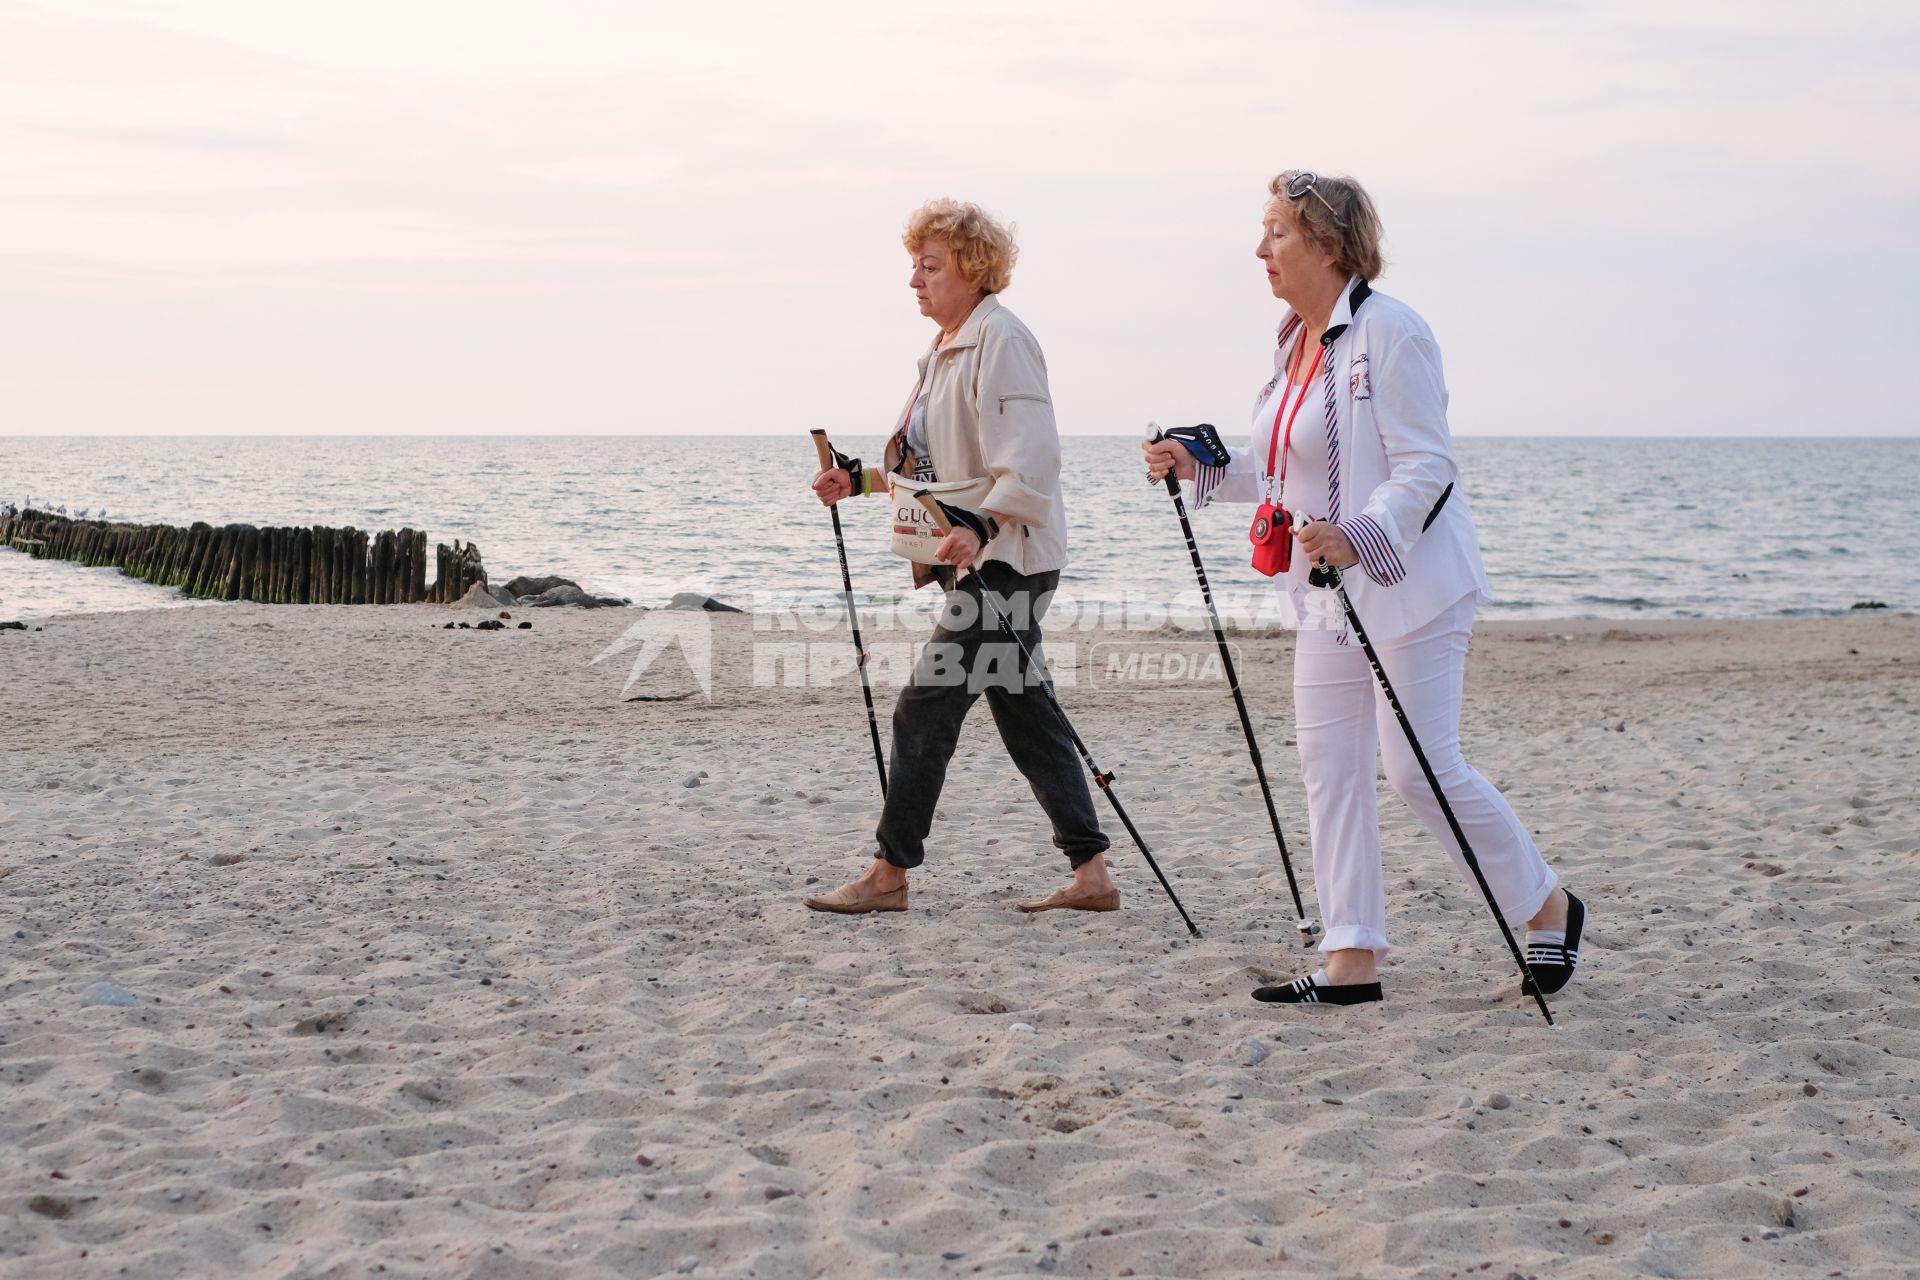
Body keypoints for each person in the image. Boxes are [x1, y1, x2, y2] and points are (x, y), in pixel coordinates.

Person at [1142, 171, 1586, 1006]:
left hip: (1411, 584)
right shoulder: (1291, 346)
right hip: (1325, 596)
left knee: (1419, 769)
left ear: (1330, 245)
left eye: (1277, 232)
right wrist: (1197, 463)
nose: (1260, 248)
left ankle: (1548, 907)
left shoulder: (1393, 332)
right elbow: (1277, 472)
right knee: (1329, 766)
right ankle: (1351, 957)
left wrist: (1360, 534)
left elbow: (1428, 465)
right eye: (1263, 231)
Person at [803, 198, 1117, 916]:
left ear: (972, 271)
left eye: (930, 265)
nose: (914, 278)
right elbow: (938, 465)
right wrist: (859, 482)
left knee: (922, 707)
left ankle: (888, 875)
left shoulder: (1000, 341)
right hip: (982, 554)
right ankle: (1092, 873)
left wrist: (980, 523)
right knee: (1026, 711)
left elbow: (1031, 460)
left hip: (1008, 558)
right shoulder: (946, 347)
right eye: (914, 264)